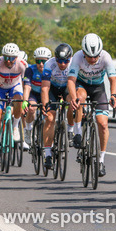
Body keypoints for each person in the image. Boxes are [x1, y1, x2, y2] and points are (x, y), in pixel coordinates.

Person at [66, 33, 116, 177]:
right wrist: (74, 98)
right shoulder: (77, 57)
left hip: (97, 88)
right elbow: (71, 80)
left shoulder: (105, 57)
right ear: (83, 52)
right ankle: (77, 132)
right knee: (80, 97)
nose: (93, 59)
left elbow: (113, 80)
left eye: (96, 56)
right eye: (90, 56)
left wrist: (113, 95)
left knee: (102, 124)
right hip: (81, 84)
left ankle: (101, 160)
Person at [0, 43, 28, 164]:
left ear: (16, 57)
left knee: (18, 100)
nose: (9, 61)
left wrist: (25, 101)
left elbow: (25, 84)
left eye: (12, 58)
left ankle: (15, 127)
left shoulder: (22, 64)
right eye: (6, 57)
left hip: (14, 87)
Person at [40, 43, 74, 171]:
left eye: (65, 61)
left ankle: (70, 130)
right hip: (52, 89)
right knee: (50, 117)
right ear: (55, 59)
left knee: (72, 103)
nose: (62, 64)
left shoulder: (73, 64)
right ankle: (47, 154)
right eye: (60, 61)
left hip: (66, 87)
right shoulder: (49, 65)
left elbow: (73, 87)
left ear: (69, 59)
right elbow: (44, 88)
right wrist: (45, 105)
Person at [21, 46, 52, 151]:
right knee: (31, 109)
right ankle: (28, 130)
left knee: (50, 114)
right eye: (38, 61)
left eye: (44, 61)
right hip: (34, 94)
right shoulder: (30, 70)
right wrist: (25, 101)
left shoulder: (52, 70)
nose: (41, 64)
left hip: (47, 94)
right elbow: (27, 87)